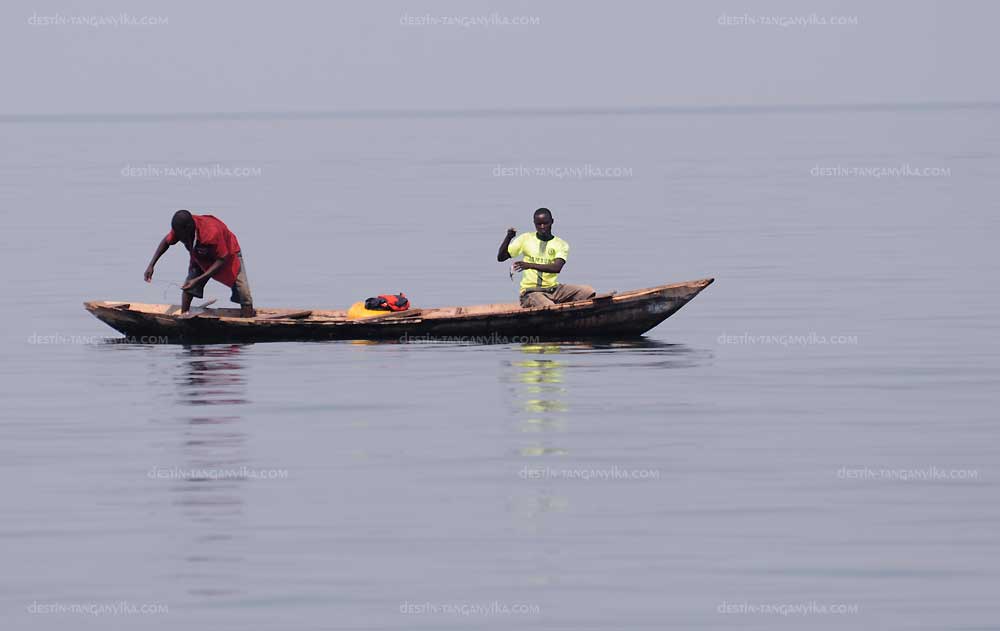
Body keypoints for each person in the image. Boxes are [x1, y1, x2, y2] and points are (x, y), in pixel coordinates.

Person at [144, 210, 255, 317]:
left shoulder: (211, 232)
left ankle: (248, 318)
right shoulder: (180, 228)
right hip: (200, 255)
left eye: (181, 236)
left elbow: (222, 259)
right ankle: (184, 316)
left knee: (243, 291)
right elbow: (166, 242)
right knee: (188, 286)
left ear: (189, 229)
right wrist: (151, 265)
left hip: (228, 254)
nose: (179, 238)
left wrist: (198, 280)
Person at [497, 207, 595, 308]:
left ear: (552, 222)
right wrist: (508, 237)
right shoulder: (525, 239)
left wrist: (529, 265)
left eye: (546, 223)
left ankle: (558, 305)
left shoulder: (561, 244)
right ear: (534, 223)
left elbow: (556, 268)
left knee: (588, 291)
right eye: (538, 224)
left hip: (553, 290)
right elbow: (501, 257)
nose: (542, 227)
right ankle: (549, 306)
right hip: (531, 292)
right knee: (550, 307)